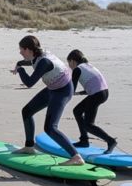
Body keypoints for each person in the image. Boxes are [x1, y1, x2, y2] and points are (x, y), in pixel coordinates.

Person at [10, 36, 84, 165]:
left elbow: (29, 83)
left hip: (63, 91)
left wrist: (20, 70)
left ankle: (76, 157)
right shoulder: (37, 55)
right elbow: (31, 62)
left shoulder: (44, 62)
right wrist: (19, 63)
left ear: (28, 49)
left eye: (21, 49)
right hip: (52, 88)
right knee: (27, 111)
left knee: (50, 127)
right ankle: (29, 147)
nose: (20, 52)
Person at [67, 49, 118, 154]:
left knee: (88, 125)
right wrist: (78, 93)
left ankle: (111, 141)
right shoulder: (88, 66)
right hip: (104, 93)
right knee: (77, 111)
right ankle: (84, 140)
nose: (69, 66)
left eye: (69, 63)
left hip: (97, 95)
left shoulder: (77, 69)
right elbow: (94, 85)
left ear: (72, 61)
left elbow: (71, 89)